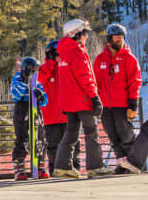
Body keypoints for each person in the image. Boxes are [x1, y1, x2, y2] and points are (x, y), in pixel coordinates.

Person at [54, 18, 108, 178]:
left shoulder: (63, 52)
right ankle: (95, 166)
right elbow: (85, 77)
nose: (86, 36)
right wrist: (94, 97)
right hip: (82, 100)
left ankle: (62, 166)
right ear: (76, 34)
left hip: (68, 101)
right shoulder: (77, 52)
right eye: (84, 33)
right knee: (92, 132)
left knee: (71, 133)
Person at [94, 23, 141, 170]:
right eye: (117, 37)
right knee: (113, 136)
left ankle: (135, 163)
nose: (120, 40)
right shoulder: (100, 59)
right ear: (109, 39)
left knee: (126, 134)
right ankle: (122, 164)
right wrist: (96, 104)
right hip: (106, 106)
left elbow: (135, 82)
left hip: (122, 105)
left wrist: (132, 105)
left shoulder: (129, 58)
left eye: (122, 37)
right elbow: (95, 83)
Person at [40, 40, 80, 176]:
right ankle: (54, 171)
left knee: (73, 144)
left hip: (68, 113)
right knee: (53, 146)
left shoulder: (66, 66)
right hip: (51, 116)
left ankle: (75, 168)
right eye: (56, 54)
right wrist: (51, 63)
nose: (59, 56)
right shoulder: (44, 69)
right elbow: (40, 80)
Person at [9, 56, 48, 180]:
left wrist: (41, 96)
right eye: (30, 68)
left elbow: (45, 101)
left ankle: (40, 166)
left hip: (35, 108)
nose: (32, 71)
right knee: (22, 138)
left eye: (34, 69)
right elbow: (15, 95)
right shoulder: (17, 78)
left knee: (40, 137)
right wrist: (25, 82)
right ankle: (20, 168)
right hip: (22, 108)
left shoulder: (37, 81)